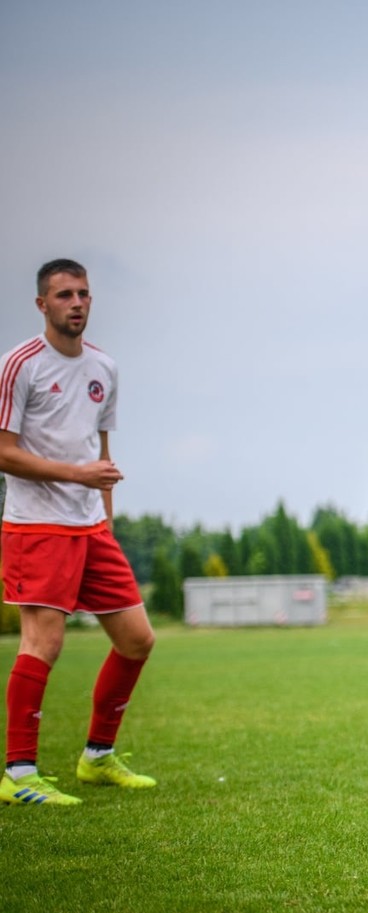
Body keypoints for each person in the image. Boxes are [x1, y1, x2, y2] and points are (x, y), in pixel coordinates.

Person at [0, 260, 158, 808]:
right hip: (37, 526)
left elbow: (101, 458)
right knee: (43, 643)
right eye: (64, 294)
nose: (77, 303)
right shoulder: (20, 365)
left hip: (90, 527)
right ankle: (19, 774)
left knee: (137, 639)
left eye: (83, 293)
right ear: (42, 304)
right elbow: (3, 453)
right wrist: (76, 476)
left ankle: (97, 757)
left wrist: (105, 521)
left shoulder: (104, 368)